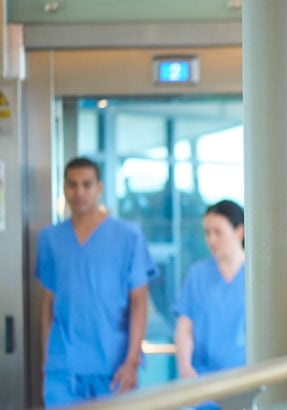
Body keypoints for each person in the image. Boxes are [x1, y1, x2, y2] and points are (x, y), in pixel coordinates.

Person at [36, 157, 158, 407]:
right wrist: (48, 367)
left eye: (86, 184)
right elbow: (48, 305)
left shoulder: (127, 236)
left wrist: (132, 362)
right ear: (64, 188)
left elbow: (139, 303)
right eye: (72, 184)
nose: (79, 192)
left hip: (113, 369)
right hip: (63, 370)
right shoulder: (50, 238)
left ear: (99, 188)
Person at [173, 200, 246, 380]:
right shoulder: (198, 275)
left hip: (247, 379)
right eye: (207, 233)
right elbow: (184, 328)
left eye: (218, 232)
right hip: (203, 379)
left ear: (239, 231)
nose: (211, 239)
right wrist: (185, 367)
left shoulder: (257, 276)